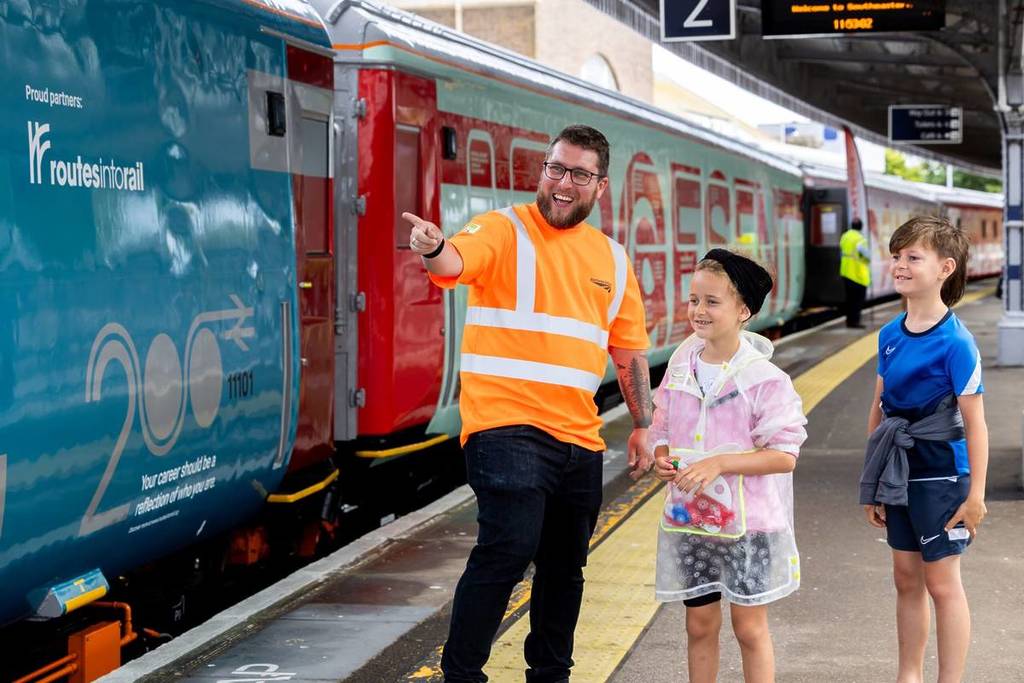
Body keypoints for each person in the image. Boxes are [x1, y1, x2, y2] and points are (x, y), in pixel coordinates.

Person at [403, 124, 652, 683]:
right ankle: (463, 674)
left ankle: (549, 676)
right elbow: (455, 262)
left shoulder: (612, 259)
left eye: (579, 174)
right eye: (555, 169)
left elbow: (629, 351)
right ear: (543, 171)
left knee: (565, 568)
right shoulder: (503, 228)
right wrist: (435, 246)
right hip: (504, 426)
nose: (564, 183)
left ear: (600, 186)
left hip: (579, 438)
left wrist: (643, 424)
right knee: (509, 547)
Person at [651, 250, 807, 683]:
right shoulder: (681, 366)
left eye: (712, 301)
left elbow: (784, 455)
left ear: (743, 311)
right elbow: (661, 424)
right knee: (698, 625)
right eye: (693, 300)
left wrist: (721, 462)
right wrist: (663, 457)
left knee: (750, 629)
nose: (698, 311)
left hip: (750, 525)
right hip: (691, 522)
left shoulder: (765, 379)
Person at [860, 216, 989, 683]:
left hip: (941, 476)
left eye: (913, 257)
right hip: (897, 472)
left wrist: (975, 495)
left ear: (945, 268)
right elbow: (879, 407)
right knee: (906, 579)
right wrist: (873, 482)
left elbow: (976, 425)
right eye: (897, 256)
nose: (900, 265)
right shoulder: (890, 334)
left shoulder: (957, 342)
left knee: (942, 582)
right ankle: (907, 676)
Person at [839, 217, 871, 328]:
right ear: (861, 227)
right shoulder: (860, 239)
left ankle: (849, 321)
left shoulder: (845, 237)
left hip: (846, 272)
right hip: (858, 275)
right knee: (857, 301)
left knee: (849, 299)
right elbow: (867, 256)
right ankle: (855, 322)